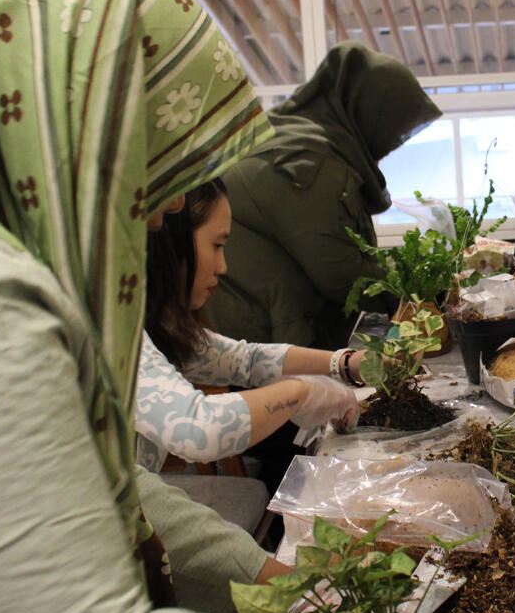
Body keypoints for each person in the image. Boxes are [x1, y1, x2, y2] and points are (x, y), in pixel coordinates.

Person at [0, 0, 482, 613]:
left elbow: (114, 492)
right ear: (89, 136)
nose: (168, 211)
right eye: (158, 173)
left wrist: (264, 568)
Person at [207, 42, 443, 350]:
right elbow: (344, 277)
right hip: (252, 340)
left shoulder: (300, 138)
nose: (389, 145)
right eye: (389, 129)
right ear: (367, 114)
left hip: (251, 328)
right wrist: (421, 286)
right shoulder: (309, 163)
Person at [137, 178, 360, 476]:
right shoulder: (124, 340)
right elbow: (198, 429)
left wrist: (346, 363)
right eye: (216, 245)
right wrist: (300, 393)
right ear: (171, 242)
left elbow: (249, 360)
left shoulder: (164, 327)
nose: (223, 266)